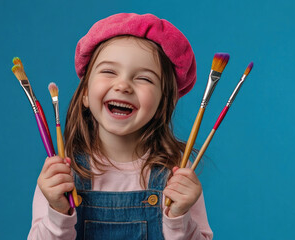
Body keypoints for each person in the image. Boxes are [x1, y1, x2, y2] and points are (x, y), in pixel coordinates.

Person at [27, 13, 213, 239]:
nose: (123, 85)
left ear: (163, 103)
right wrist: (57, 210)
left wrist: (179, 218)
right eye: (108, 71)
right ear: (85, 92)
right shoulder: (60, 174)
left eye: (144, 78)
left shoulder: (178, 172)